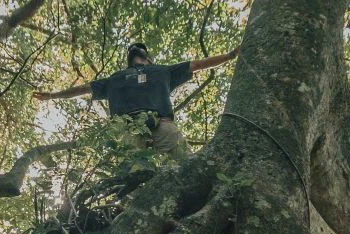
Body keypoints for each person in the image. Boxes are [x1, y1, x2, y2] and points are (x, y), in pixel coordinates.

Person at [35, 41, 238, 158]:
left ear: (149, 60)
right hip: (128, 128)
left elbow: (198, 65)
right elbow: (84, 88)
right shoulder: (116, 78)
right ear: (147, 57)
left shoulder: (161, 71)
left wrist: (230, 55)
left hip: (161, 125)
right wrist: (53, 95)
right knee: (133, 175)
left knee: (187, 164)